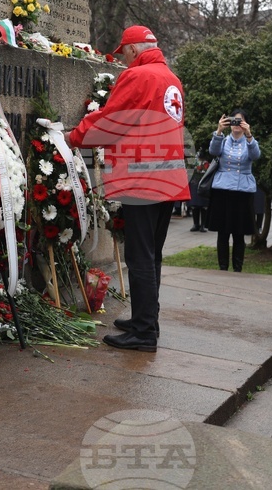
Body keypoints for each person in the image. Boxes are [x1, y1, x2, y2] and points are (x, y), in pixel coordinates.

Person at [67, 26, 188, 352]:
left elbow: (111, 120)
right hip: (168, 178)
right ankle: (147, 319)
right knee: (152, 255)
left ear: (133, 49)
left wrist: (71, 139)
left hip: (143, 178)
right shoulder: (170, 78)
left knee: (139, 256)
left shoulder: (139, 77)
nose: (122, 58)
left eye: (123, 52)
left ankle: (144, 332)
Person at [206, 109, 261, 272]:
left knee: (239, 232)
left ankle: (238, 268)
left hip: (242, 192)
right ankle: (223, 267)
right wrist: (219, 131)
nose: (236, 125)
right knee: (222, 232)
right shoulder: (222, 140)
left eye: (240, 121)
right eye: (234, 121)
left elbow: (255, 155)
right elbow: (213, 152)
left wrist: (249, 134)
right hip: (222, 191)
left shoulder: (249, 141)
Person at [187, 157, 210, 232]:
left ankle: (203, 225)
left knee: (204, 204)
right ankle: (196, 224)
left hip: (205, 181)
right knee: (194, 204)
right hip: (194, 179)